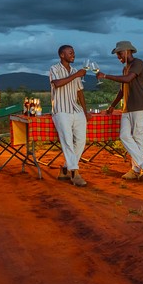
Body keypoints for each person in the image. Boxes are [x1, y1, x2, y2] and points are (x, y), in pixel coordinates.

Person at [97, 40, 143, 181]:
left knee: (138, 139)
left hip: (140, 106)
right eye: (117, 54)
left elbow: (128, 79)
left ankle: (136, 170)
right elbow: (122, 90)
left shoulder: (138, 63)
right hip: (127, 108)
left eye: (120, 53)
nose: (118, 57)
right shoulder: (125, 68)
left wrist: (106, 76)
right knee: (124, 136)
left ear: (128, 51)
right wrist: (112, 105)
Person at [49, 45, 89, 187]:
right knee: (67, 141)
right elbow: (58, 83)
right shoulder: (54, 69)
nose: (74, 55)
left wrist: (85, 111)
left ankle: (66, 168)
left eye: (74, 52)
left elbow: (80, 92)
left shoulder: (74, 70)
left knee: (81, 141)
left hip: (75, 110)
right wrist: (76, 75)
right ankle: (74, 173)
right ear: (62, 55)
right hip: (61, 110)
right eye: (70, 53)